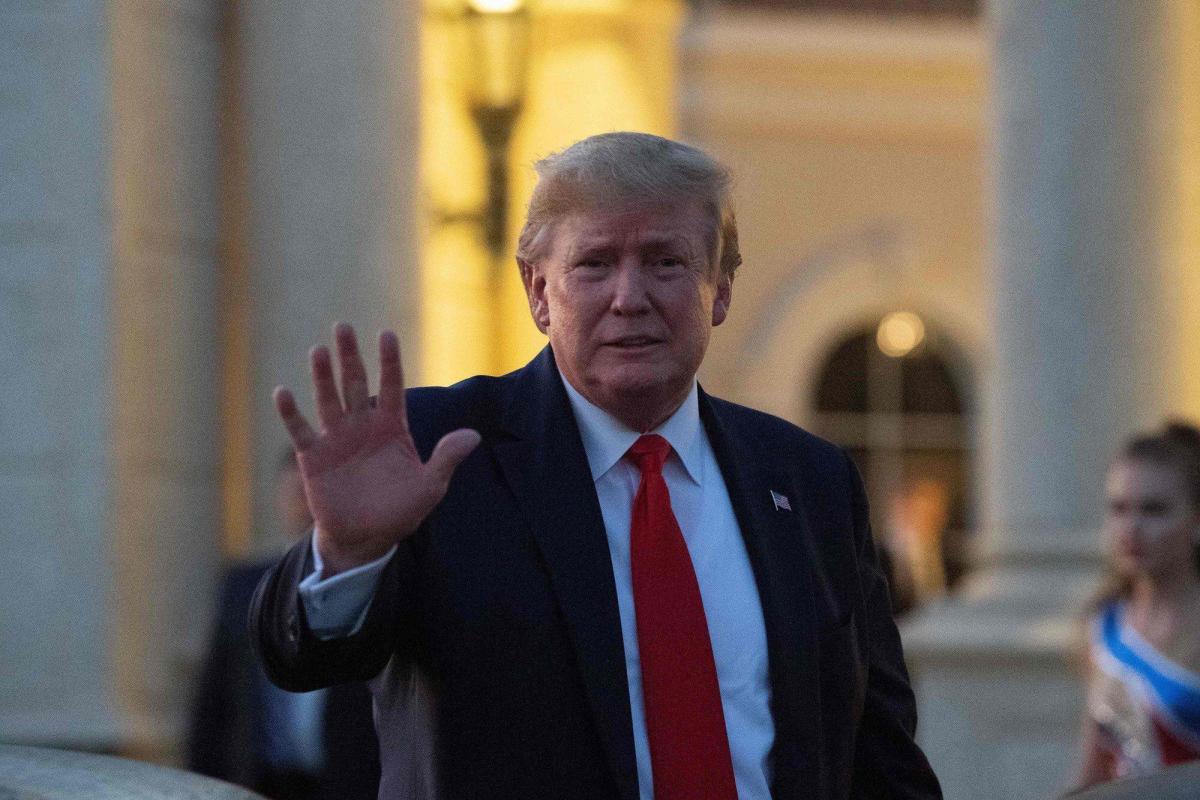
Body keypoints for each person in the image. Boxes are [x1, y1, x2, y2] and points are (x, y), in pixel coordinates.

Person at [250, 132, 941, 799]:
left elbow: (879, 754)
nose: (629, 297)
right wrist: (347, 557)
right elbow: (304, 658)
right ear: (538, 291)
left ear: (721, 288)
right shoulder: (439, 452)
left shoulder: (807, 480)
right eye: (595, 264)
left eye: (666, 263)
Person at [188, 449, 381, 800]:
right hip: (257, 781)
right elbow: (216, 696)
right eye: (297, 493)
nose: (306, 506)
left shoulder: (372, 583)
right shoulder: (244, 585)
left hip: (348, 782)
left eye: (317, 494)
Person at [1075, 422, 1200, 787]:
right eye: (1119, 508)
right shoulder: (1102, 625)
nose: (1132, 527)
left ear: (1196, 519)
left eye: (1154, 510)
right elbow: (1092, 774)